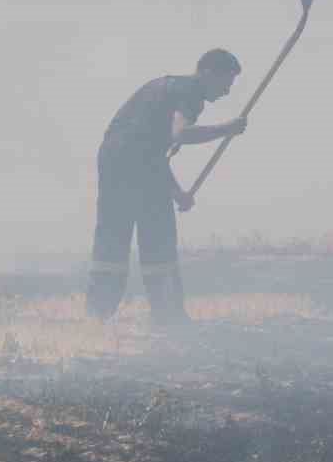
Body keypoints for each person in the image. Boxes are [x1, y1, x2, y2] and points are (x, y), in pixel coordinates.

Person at [86, 49, 247, 325]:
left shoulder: (165, 88)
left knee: (112, 243)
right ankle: (169, 317)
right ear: (208, 73)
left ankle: (97, 318)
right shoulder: (190, 92)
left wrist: (175, 193)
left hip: (115, 162)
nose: (226, 92)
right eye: (226, 84)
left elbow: (149, 151)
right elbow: (179, 134)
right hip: (133, 164)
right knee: (158, 242)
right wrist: (226, 129)